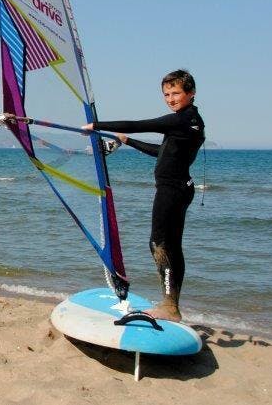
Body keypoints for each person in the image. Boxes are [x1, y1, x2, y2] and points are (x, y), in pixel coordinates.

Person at [84, 69, 205, 322]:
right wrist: (127, 141)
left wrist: (96, 126)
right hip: (181, 188)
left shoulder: (182, 119)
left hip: (172, 190)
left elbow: (140, 125)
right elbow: (160, 151)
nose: (171, 98)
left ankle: (170, 306)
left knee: (159, 244)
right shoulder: (190, 120)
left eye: (176, 93)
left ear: (191, 93)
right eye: (167, 94)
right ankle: (171, 304)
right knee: (172, 246)